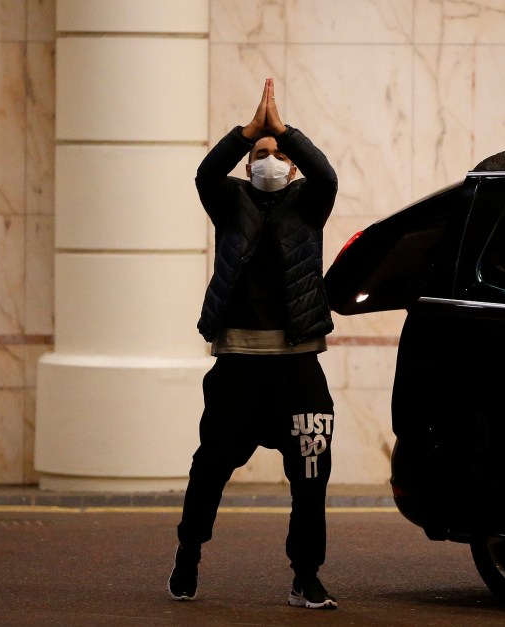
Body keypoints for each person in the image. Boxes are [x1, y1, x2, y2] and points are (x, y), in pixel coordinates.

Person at [167, 77, 339, 610]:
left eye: (279, 154)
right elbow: (204, 173)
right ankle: (187, 556)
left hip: (298, 365)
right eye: (261, 154)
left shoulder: (309, 203)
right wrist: (248, 130)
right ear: (247, 165)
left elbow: (327, 174)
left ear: (291, 166)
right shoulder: (230, 201)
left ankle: (305, 575)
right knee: (210, 468)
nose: (270, 159)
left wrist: (284, 129)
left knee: (311, 473)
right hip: (237, 364)